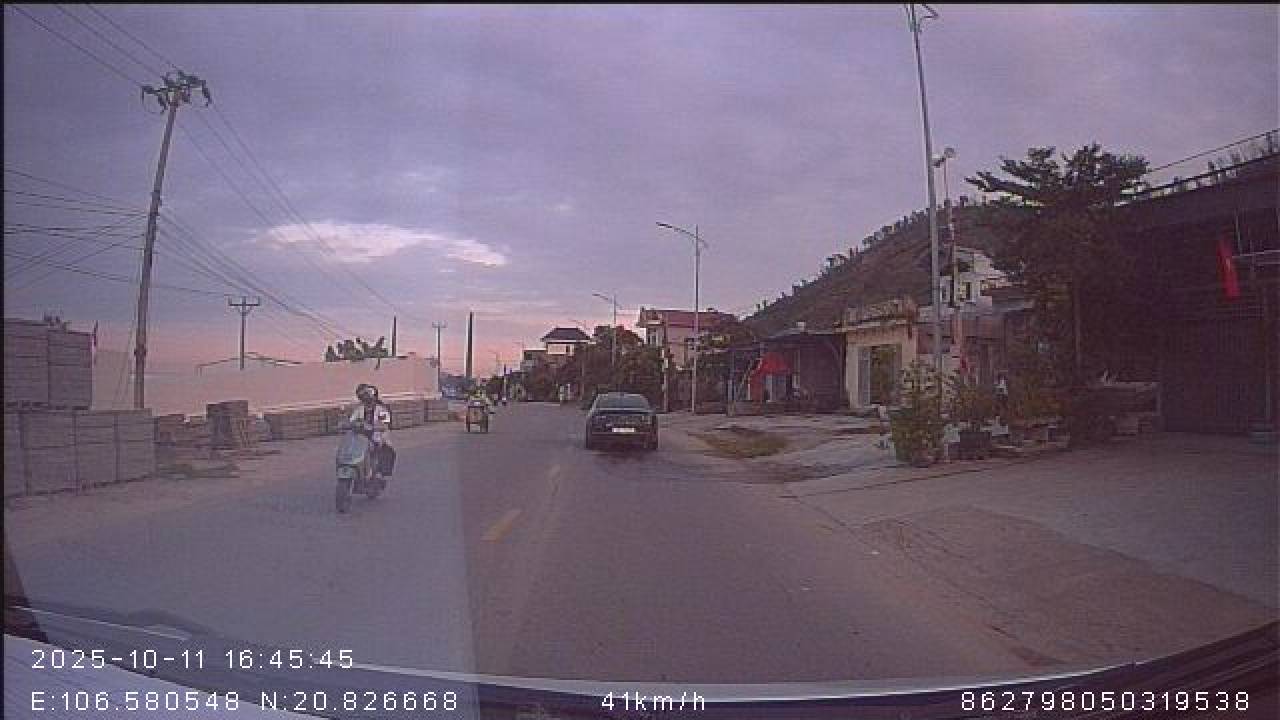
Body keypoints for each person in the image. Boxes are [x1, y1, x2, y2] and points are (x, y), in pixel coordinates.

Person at [351, 383, 395, 477]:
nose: (365, 399)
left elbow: (384, 425)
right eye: (362, 396)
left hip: (377, 436)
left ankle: (375, 471)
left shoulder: (381, 409)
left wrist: (372, 426)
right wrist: (348, 424)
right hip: (360, 437)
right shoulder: (359, 409)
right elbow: (352, 421)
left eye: (367, 396)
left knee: (376, 447)